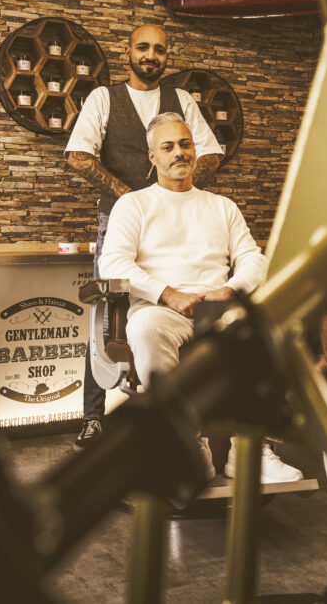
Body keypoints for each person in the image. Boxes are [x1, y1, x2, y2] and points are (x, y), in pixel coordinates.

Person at [98, 112, 303, 484]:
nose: (179, 152)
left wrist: (231, 289)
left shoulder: (222, 206)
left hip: (221, 309)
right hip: (163, 311)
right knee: (145, 327)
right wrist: (168, 294)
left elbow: (253, 259)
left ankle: (249, 451)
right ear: (152, 157)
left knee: (266, 326)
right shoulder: (134, 205)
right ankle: (188, 448)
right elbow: (112, 262)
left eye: (185, 144)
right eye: (168, 147)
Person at [64, 24, 223, 449]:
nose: (151, 55)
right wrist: (133, 197)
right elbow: (77, 156)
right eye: (143, 47)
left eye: (159, 49)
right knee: (108, 317)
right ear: (128, 53)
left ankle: (195, 417)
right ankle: (94, 418)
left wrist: (179, 191)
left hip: (175, 220)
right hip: (119, 216)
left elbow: (211, 152)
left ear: (167, 55)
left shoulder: (182, 99)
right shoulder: (105, 98)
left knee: (185, 307)